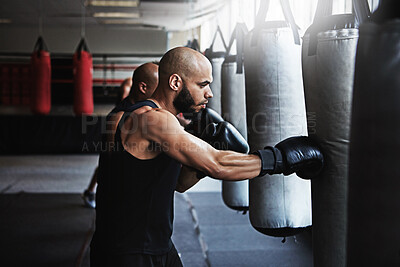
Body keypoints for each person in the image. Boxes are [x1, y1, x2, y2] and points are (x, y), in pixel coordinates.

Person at [90, 47, 324, 266]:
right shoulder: (155, 120)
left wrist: (198, 162)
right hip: (133, 252)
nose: (209, 93)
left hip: (140, 243)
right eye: (202, 85)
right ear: (175, 82)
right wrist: (282, 158)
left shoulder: (122, 115)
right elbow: (218, 164)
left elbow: (179, 184)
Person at [82, 63, 159, 208]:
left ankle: (90, 191)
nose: (161, 94)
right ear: (143, 87)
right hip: (116, 199)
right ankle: (90, 192)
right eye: (158, 88)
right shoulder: (123, 115)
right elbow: (114, 165)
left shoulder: (143, 111)